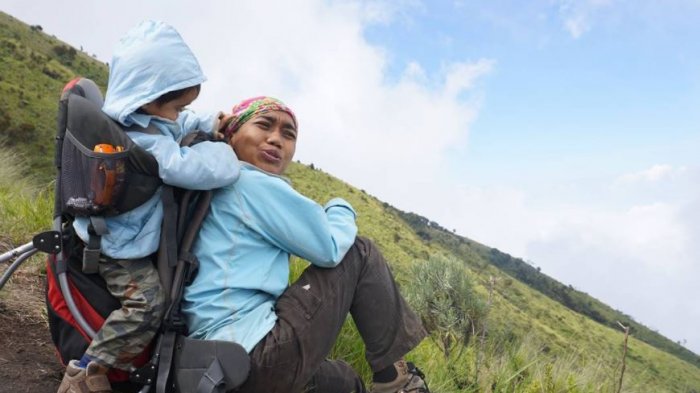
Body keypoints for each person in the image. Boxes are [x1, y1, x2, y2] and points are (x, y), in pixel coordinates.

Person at [181, 96, 430, 393]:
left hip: (214, 369)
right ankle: (396, 381)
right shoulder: (249, 184)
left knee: (344, 381)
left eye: (289, 135)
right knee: (358, 252)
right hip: (254, 353)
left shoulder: (205, 180)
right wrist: (341, 206)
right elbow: (329, 247)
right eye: (264, 125)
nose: (276, 140)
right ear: (231, 132)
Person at [58, 20, 239, 393]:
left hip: (122, 235)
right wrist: (227, 154)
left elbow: (175, 124)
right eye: (176, 106)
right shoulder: (147, 144)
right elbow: (188, 167)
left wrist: (208, 121)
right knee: (147, 303)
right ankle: (86, 371)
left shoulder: (140, 119)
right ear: (148, 98)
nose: (180, 114)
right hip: (117, 248)